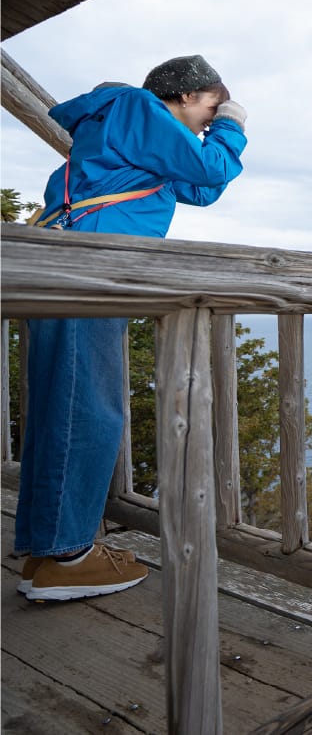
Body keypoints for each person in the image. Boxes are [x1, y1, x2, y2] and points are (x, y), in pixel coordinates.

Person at [15, 54, 247, 602]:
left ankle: (46, 550)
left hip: (70, 267)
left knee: (62, 405)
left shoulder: (128, 134)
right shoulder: (137, 106)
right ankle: (68, 558)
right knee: (86, 409)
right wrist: (234, 126)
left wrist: (219, 136)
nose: (209, 123)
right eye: (210, 109)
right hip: (88, 272)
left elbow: (204, 188)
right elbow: (212, 167)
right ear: (186, 96)